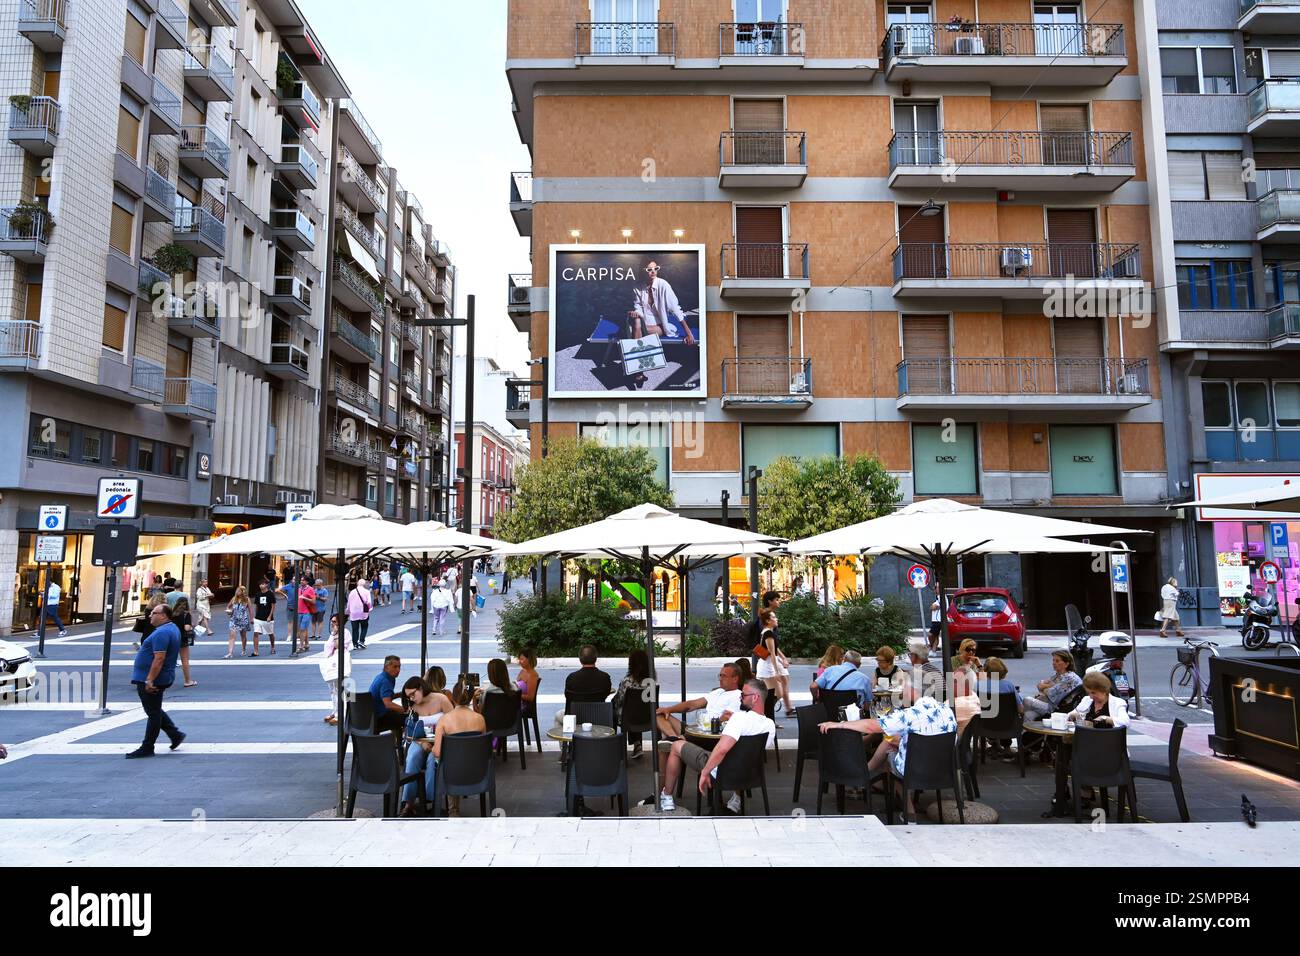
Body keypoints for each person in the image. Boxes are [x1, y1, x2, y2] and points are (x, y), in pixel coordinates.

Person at [819, 680, 955, 816]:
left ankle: (908, 809)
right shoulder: (947, 710)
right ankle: (880, 784)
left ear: (914, 691)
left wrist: (840, 724)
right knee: (891, 744)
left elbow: (872, 726)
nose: (903, 692)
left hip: (914, 769)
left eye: (905, 689)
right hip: (943, 767)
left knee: (890, 757)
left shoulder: (909, 714)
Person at [658, 679, 773, 813]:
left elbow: (721, 749)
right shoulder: (770, 725)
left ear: (755, 697)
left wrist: (705, 772)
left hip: (722, 771)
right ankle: (736, 798)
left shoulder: (739, 719)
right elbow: (749, 749)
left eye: (744, 695)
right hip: (750, 774)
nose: (740, 698)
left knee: (676, 746)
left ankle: (666, 796)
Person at [125, 603, 185, 758]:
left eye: (154, 613)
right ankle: (175, 734)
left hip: (153, 677)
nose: (150, 615)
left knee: (153, 713)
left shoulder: (162, 633)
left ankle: (147, 747)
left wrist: (149, 679)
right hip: (161, 675)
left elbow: (159, 658)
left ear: (163, 615)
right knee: (155, 708)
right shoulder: (171, 629)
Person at [399, 676, 454, 816]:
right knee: (412, 757)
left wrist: (438, 742)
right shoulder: (413, 706)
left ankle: (431, 800)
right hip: (420, 740)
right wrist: (422, 743)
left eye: (413, 694)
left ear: (421, 688)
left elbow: (453, 722)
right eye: (408, 696)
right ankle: (408, 803)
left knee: (432, 760)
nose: (411, 698)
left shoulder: (441, 699)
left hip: (441, 740)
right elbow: (410, 732)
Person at [432, 679, 487, 816]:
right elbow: (485, 749)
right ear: (470, 697)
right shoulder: (480, 719)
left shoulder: (444, 720)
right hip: (478, 771)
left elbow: (438, 752)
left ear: (453, 697)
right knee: (457, 760)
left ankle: (453, 810)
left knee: (447, 762)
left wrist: (430, 749)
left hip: (453, 774)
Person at [655, 661, 741, 740]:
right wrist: (668, 710)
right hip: (699, 730)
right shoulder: (718, 691)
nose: (720, 679)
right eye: (720, 675)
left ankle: (675, 740)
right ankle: (673, 738)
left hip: (711, 735)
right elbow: (692, 704)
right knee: (658, 715)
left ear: (735, 679)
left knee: (667, 745)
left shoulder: (738, 696)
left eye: (724, 676)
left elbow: (726, 717)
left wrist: (707, 726)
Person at [1023, 650, 1083, 723]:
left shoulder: (1070, 678)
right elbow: (1040, 686)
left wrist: (1046, 687)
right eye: (1053, 660)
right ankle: (1028, 734)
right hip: (1048, 703)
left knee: (1026, 700)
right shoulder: (1056, 676)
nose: (1054, 663)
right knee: (1028, 714)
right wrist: (1049, 686)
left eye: (1057, 661)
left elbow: (1050, 692)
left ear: (1066, 664)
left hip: (1056, 708)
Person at [613, 649, 651, 757]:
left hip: (628, 718)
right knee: (635, 709)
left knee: (619, 710)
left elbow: (619, 701)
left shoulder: (627, 682)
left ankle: (614, 744)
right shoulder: (651, 681)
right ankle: (637, 744)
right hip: (646, 717)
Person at [755, 608, 793, 716]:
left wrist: (782, 660)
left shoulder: (768, 632)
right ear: (768, 621)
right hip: (767, 667)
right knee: (776, 693)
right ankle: (763, 714)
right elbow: (772, 653)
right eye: (774, 617)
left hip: (768, 666)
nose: (776, 619)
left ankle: (765, 715)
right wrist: (776, 671)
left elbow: (774, 652)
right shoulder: (768, 634)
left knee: (776, 694)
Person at [319, 615, 349, 725]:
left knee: (341, 690)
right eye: (331, 621)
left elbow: (338, 646)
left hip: (339, 664)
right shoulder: (333, 633)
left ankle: (341, 714)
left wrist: (336, 633)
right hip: (331, 663)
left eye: (334, 621)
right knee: (333, 690)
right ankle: (335, 711)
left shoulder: (344, 632)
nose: (332, 623)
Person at [369, 656, 405, 737]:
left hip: (372, 715)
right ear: (386, 667)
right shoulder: (386, 681)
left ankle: (395, 742)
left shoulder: (381, 676)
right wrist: (406, 710)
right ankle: (400, 743)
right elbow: (388, 704)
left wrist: (399, 695)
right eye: (395, 667)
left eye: (399, 667)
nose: (398, 670)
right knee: (409, 718)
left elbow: (384, 697)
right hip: (379, 717)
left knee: (397, 714)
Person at [746, 590, 781, 670]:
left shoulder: (768, 614)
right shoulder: (766, 616)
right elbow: (768, 638)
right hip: (767, 655)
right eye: (776, 600)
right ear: (770, 601)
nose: (779, 602)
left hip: (768, 654)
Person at [172, 596, 198, 688]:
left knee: (168, 659)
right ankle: (187, 680)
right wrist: (192, 626)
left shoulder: (172, 613)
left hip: (172, 638)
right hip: (182, 638)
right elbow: (186, 627)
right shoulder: (186, 614)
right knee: (185, 660)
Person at [251, 579, 279, 656]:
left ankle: (273, 647)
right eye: (260, 584)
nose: (261, 586)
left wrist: (270, 616)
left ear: (266, 585)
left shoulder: (270, 594)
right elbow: (256, 606)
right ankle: (256, 651)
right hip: (258, 617)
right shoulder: (258, 594)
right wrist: (254, 617)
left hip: (267, 618)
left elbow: (273, 606)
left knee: (270, 634)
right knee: (256, 633)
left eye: (262, 584)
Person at [225, 586, 252, 658]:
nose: (237, 592)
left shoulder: (247, 599)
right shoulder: (234, 599)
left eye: (239, 590)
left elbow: (250, 610)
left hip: (243, 619)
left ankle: (243, 649)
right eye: (237, 590)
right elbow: (228, 606)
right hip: (233, 619)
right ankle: (230, 653)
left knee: (243, 636)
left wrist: (252, 619)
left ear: (243, 592)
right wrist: (229, 611)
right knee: (232, 636)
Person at [347, 577, 372, 650]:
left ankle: (355, 644)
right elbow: (369, 603)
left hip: (354, 613)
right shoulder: (367, 592)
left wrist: (348, 612)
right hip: (363, 613)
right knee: (364, 627)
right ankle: (361, 640)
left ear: (357, 584)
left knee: (355, 629)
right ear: (364, 584)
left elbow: (348, 603)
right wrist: (369, 610)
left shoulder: (352, 592)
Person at [296, 576, 317, 650]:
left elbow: (314, 601)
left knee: (302, 629)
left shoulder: (310, 589)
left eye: (303, 580)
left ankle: (301, 646)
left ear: (307, 582)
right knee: (304, 629)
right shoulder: (298, 589)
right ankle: (307, 644)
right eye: (301, 580)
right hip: (299, 611)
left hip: (306, 612)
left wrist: (304, 598)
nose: (301, 581)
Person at [310, 577, 329, 647]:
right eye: (316, 585)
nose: (316, 586)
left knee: (320, 621)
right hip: (314, 608)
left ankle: (319, 634)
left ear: (321, 584)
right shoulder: (314, 590)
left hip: (321, 609)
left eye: (318, 585)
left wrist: (319, 597)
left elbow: (325, 599)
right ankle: (313, 634)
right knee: (313, 622)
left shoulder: (324, 591)